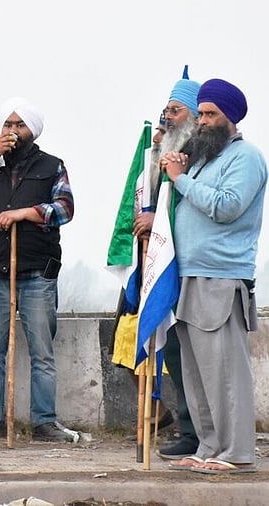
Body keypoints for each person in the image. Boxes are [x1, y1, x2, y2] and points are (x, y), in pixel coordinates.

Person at [0, 97, 75, 443]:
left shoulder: (52, 165)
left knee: (42, 353)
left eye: (19, 125)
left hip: (37, 272)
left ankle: (44, 423)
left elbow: (64, 208)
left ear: (32, 131)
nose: (12, 131)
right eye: (7, 125)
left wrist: (25, 213)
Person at [162, 79, 264, 474]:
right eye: (201, 113)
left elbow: (227, 206)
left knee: (225, 372)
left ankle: (236, 453)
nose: (202, 121)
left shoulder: (246, 158)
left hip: (221, 277)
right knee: (197, 372)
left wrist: (181, 181)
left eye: (210, 114)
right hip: (189, 276)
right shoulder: (204, 159)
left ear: (230, 118)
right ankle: (208, 448)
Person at [133, 70, 202, 460]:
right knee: (173, 352)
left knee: (194, 356)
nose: (167, 117)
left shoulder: (202, 157)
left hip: (195, 267)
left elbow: (189, 209)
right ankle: (190, 429)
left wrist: (155, 222)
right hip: (167, 269)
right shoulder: (162, 154)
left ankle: (198, 431)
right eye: (166, 110)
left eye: (176, 110)